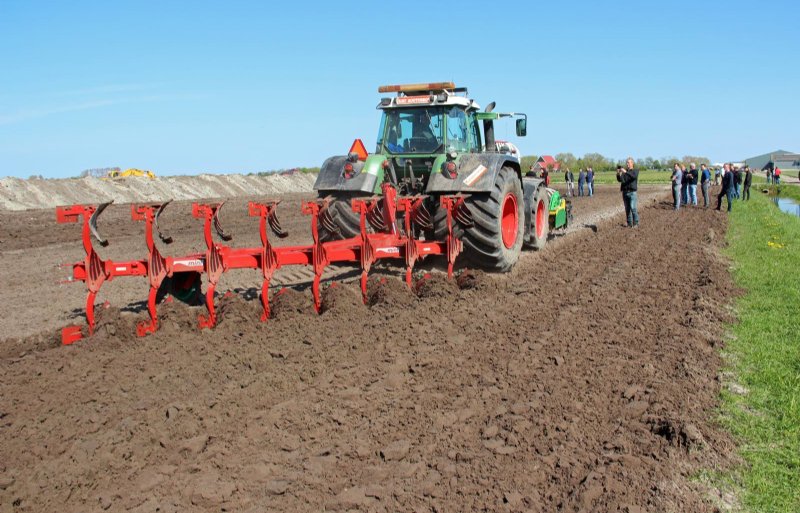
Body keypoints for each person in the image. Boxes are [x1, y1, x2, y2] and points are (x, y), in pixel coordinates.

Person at [617, 157, 639, 227]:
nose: (627, 164)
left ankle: (636, 223)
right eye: (627, 163)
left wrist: (626, 172)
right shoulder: (624, 172)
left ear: (632, 163)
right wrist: (618, 173)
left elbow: (633, 177)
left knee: (633, 208)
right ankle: (629, 223)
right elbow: (620, 180)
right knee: (627, 209)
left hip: (632, 192)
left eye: (628, 162)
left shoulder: (635, 171)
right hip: (625, 192)